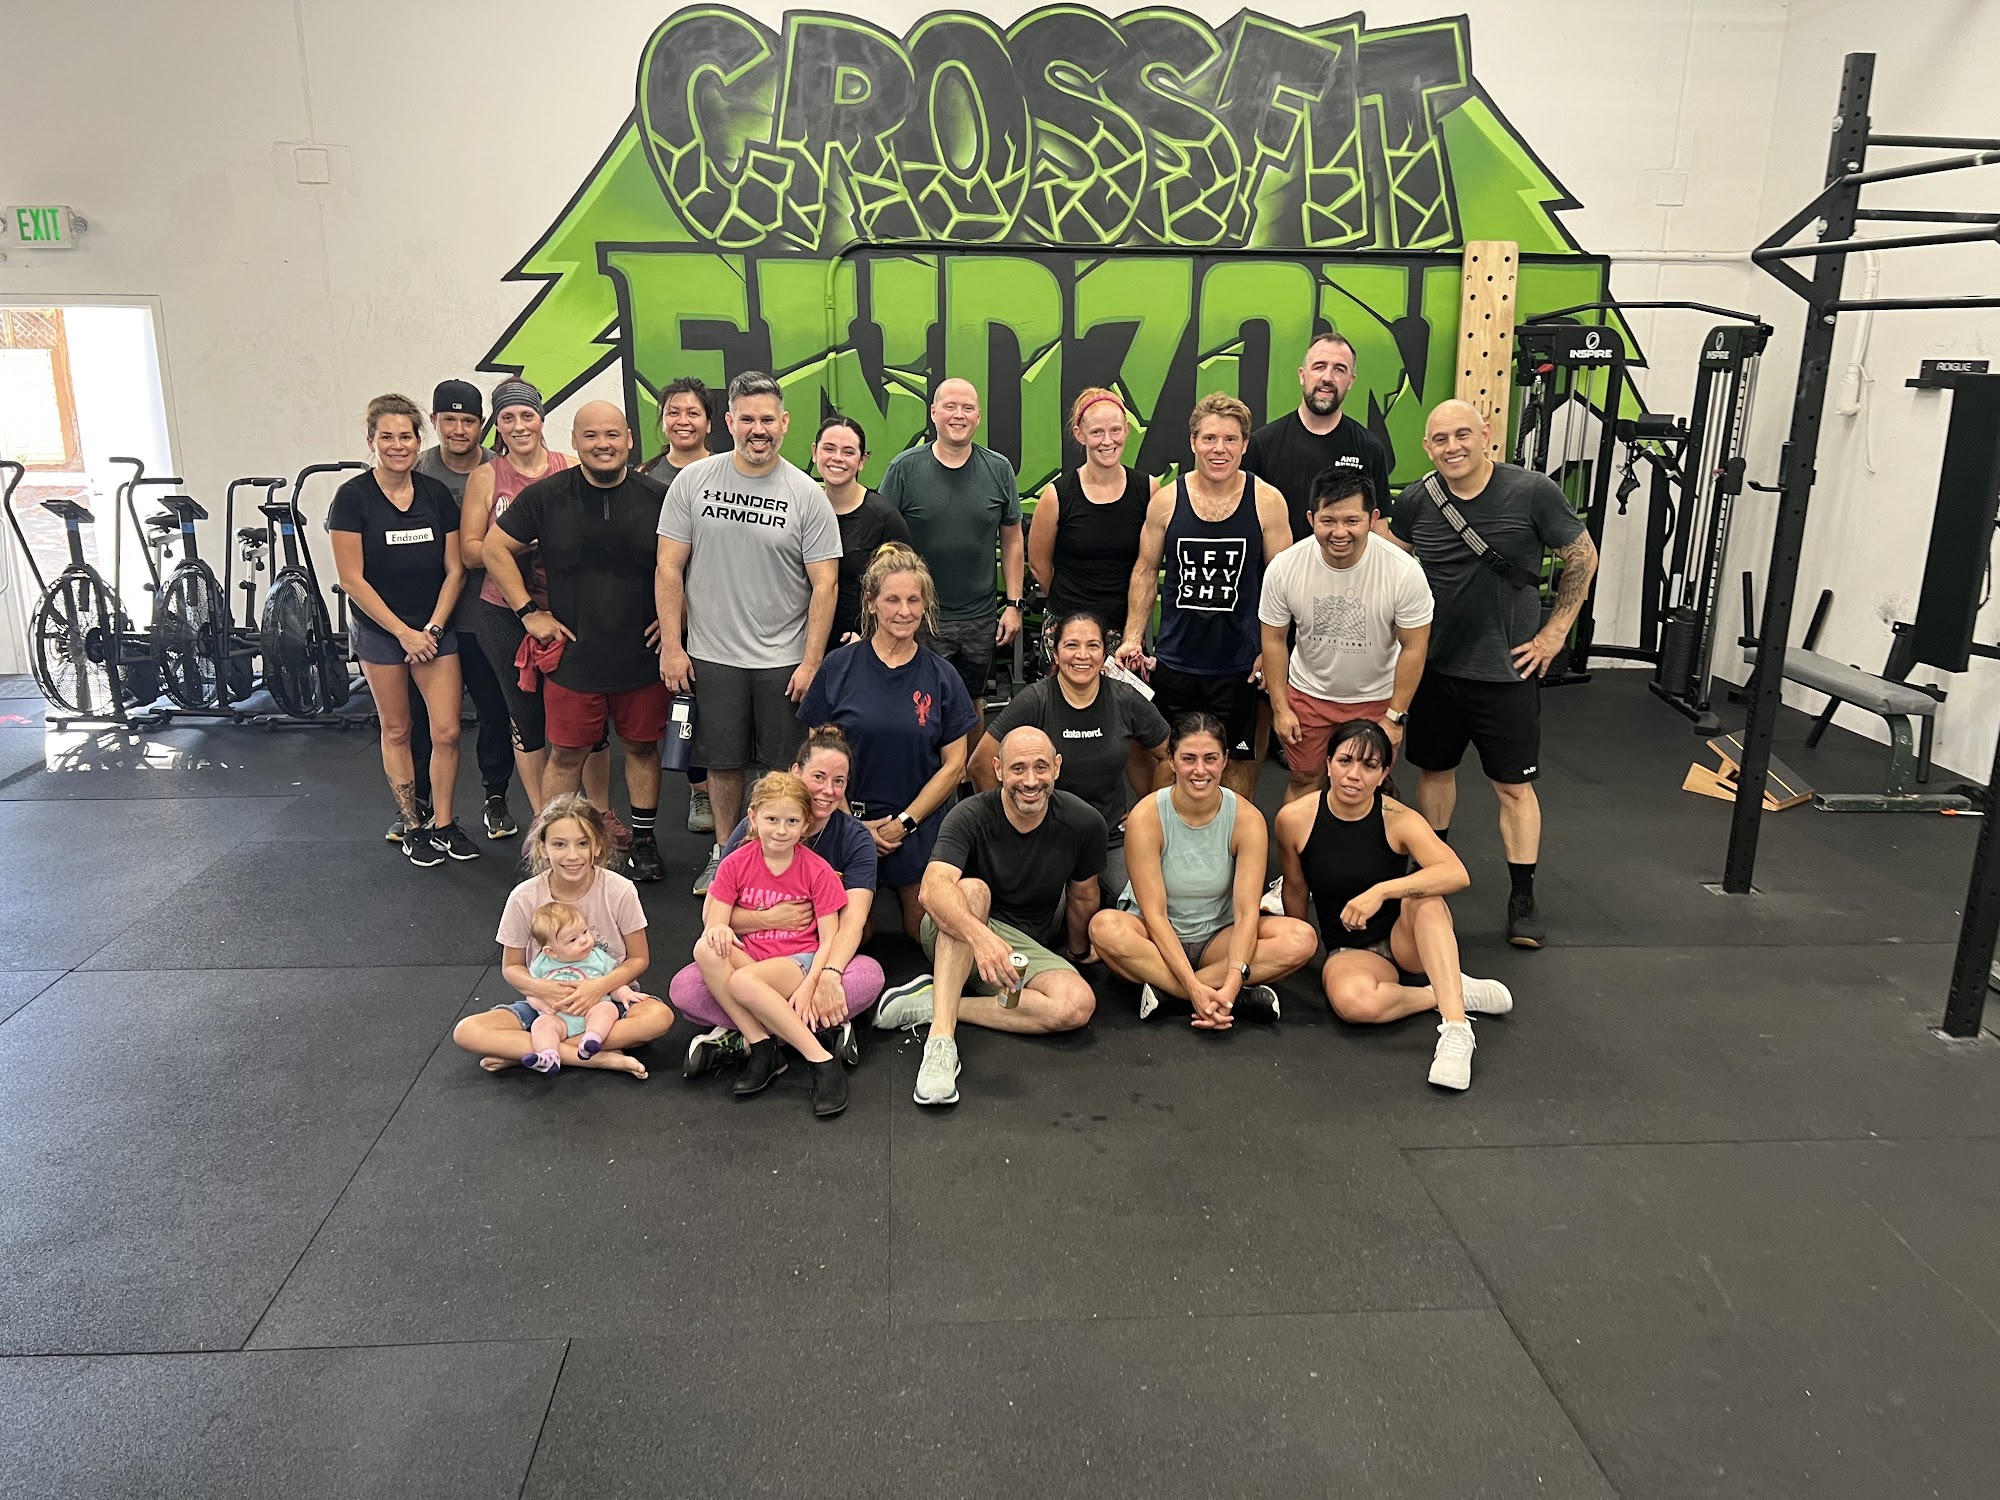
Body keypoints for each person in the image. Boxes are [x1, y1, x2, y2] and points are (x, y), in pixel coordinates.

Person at [1385, 399, 1599, 948]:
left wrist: (1556, 631)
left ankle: (1522, 895)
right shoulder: (1418, 499)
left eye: (1462, 434)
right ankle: (1432, 874)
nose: (1452, 447)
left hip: (1505, 672)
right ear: (1427, 447)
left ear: (1485, 434)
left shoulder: (1532, 491)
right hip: (1435, 669)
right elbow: (1388, 556)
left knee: (1513, 787)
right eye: (1440, 439)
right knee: (1434, 772)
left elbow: (1582, 555)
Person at [656, 370, 841, 896]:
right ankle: (725, 853)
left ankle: (779, 862)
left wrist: (811, 662)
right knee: (723, 763)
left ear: (784, 423)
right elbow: (668, 567)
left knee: (783, 769)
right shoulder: (694, 482)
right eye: (747, 419)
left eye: (767, 420)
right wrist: (672, 646)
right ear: (729, 422)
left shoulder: (806, 495)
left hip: (784, 658)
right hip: (712, 655)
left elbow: (825, 584)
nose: (758, 430)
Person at [482, 401, 671, 881]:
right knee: (566, 754)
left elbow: (691, 561)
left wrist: (679, 618)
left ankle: (644, 842)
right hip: (575, 655)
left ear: (629, 439)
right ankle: (554, 848)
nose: (603, 444)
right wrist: (528, 612)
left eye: (612, 435)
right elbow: (494, 548)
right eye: (591, 436)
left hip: (641, 652)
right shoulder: (546, 497)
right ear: (575, 441)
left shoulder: (659, 497)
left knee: (642, 748)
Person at [1273, 718, 1514, 1091]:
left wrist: (1383, 891)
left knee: (1428, 900)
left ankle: (1456, 1030)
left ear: (1383, 773)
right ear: (1328, 763)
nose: (1354, 775)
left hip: (1407, 942)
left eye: (1369, 766)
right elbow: (1294, 887)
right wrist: (1300, 946)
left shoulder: (1399, 819)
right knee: (1353, 1004)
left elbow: (1456, 873)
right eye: (1345, 761)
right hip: (1351, 950)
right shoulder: (1294, 819)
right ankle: (1445, 991)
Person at [875, 726, 1104, 1108]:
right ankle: (941, 1043)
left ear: (1057, 767)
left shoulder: (1084, 822)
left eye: (1040, 767)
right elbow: (932, 890)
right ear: (998, 769)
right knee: (973, 891)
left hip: (1018, 947)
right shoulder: (970, 814)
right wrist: (981, 939)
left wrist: (1078, 952)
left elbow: (1082, 895)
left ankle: (934, 1003)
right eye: (1018, 768)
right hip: (956, 931)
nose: (1030, 780)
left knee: (1076, 1004)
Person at [668, 726, 887, 1075]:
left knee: (867, 976)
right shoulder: (754, 828)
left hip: (809, 958)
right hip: (752, 955)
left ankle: (744, 1037)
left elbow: (852, 922)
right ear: (796, 772)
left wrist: (828, 976)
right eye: (818, 777)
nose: (827, 791)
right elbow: (713, 915)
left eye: (839, 781)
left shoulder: (853, 838)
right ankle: (813, 1030)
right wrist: (768, 919)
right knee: (686, 988)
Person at [1089, 713, 1317, 1025]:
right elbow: (1154, 915)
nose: (1200, 770)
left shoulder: (1248, 819)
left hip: (1218, 938)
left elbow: (1246, 913)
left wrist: (1232, 980)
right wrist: (1195, 988)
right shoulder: (1146, 817)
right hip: (1153, 939)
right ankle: (1218, 998)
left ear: (1225, 760)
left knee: (1302, 939)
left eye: (1210, 758)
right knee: (1103, 928)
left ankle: (1172, 995)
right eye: (1188, 759)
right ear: (1172, 761)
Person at [1117, 393, 1292, 798]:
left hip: (1240, 665)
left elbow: (1282, 584)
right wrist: (1132, 638)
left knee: (1237, 767)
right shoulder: (1166, 501)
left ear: (1244, 445)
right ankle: (1163, 836)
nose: (1219, 449)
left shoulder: (1267, 502)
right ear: (1193, 442)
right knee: (1170, 763)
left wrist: (1271, 649)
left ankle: (1232, 838)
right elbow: (1145, 570)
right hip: (1177, 660)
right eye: (1210, 438)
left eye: (1230, 439)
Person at [799, 546, 977, 940]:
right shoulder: (839, 666)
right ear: (871, 602)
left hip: (915, 824)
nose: (904, 611)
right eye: (892, 599)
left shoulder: (943, 676)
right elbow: (817, 761)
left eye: (914, 600)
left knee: (923, 930)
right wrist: (852, 825)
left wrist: (904, 824)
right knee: (851, 934)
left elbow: (954, 766)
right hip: (843, 818)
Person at [458, 380, 613, 828]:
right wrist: (523, 540)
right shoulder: (486, 476)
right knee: (526, 717)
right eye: (508, 417)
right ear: (498, 425)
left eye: (527, 415)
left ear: (542, 419)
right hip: (507, 612)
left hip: (571, 609)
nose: (519, 425)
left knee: (589, 716)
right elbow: (471, 552)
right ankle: (546, 823)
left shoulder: (570, 467)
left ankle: (601, 815)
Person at [326, 393, 472, 867]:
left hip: (433, 631)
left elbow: (456, 570)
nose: (397, 445)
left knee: (447, 732)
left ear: (418, 439)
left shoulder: (435, 495)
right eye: (386, 437)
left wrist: (431, 628)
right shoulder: (353, 498)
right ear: (371, 441)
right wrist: (403, 634)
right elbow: (352, 579)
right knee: (397, 728)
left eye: (405, 436)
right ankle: (413, 826)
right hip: (381, 632)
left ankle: (444, 824)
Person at [450, 794, 674, 1077]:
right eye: (559, 844)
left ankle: (535, 1051)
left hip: (609, 999)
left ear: (597, 846)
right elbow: (512, 967)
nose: (572, 855)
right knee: (467, 1031)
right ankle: (593, 1057)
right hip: (548, 1008)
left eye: (582, 843)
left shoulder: (619, 890)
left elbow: (638, 958)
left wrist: (597, 987)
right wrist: (542, 989)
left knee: (659, 1018)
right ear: (542, 848)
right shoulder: (524, 897)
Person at [1259, 470, 1432, 803]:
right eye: (1328, 521)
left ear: (1373, 519)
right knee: (1304, 778)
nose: (1339, 532)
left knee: (1366, 785)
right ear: (1311, 519)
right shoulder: (1285, 567)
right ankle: (1299, 841)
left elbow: (1414, 646)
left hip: (1376, 700)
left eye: (1352, 520)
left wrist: (1395, 716)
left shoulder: (1404, 572)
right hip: (1309, 695)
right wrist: (1280, 708)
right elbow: (1273, 640)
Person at [971, 607, 1167, 901]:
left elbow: (1172, 756)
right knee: (1047, 911)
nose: (1082, 655)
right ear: (1055, 650)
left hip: (1111, 837)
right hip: (1045, 836)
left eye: (1093, 646)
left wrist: (1149, 811)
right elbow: (980, 764)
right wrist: (1009, 821)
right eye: (1072, 645)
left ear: (1105, 652)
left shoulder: (1125, 698)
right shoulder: (1035, 700)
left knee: (1145, 902)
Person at [693, 771, 850, 1117]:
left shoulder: (817, 870)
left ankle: (822, 1060)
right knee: (705, 948)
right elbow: (715, 920)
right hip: (753, 958)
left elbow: (830, 939)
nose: (781, 830)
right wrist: (719, 929)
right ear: (753, 818)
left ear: (805, 824)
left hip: (797, 961)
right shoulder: (735, 862)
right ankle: (763, 1047)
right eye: (772, 820)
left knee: (741, 982)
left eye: (791, 821)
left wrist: (811, 983)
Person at [401, 379, 517, 843]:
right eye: (448, 420)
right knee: (422, 721)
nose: (458, 429)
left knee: (494, 710)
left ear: (481, 424)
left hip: (482, 614)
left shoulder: (498, 471)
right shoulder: (416, 470)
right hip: (424, 620)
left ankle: (496, 798)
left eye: (468, 420)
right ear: (434, 421)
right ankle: (418, 807)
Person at [878, 377, 1024, 732]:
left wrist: (1014, 605)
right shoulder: (904, 469)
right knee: (916, 704)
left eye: (967, 408)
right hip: (918, 616)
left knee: (971, 704)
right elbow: (881, 541)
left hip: (979, 618)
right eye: (950, 406)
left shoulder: (999, 469)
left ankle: (968, 769)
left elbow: (1012, 539)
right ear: (933, 413)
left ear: (978, 417)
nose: (959, 415)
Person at [643, 375, 719, 837]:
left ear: (710, 422)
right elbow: (651, 559)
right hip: (663, 618)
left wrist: (690, 607)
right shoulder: (645, 477)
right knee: (681, 708)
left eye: (693, 412)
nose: (683, 420)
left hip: (718, 613)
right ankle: (697, 790)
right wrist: (668, 615)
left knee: (719, 709)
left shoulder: (728, 473)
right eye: (674, 412)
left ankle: (725, 791)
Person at [1246, 333, 1393, 543]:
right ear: (1302, 375)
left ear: (1350, 381)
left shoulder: (1370, 449)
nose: (1327, 377)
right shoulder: (1261, 445)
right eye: (1319, 366)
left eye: (1339, 369)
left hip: (1345, 565)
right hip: (1279, 564)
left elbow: (1378, 530)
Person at [1028, 388, 1151, 624]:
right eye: (1097, 432)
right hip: (1068, 625)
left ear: (1126, 430)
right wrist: (1071, 609)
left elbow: (1150, 565)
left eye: (1115, 430)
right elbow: (1038, 565)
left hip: (1126, 627)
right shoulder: (1057, 496)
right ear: (1080, 434)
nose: (1108, 441)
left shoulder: (1148, 490)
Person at [812, 413, 910, 652]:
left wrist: (871, 636)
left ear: (862, 460)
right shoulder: (805, 509)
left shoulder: (884, 518)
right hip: (804, 644)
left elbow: (907, 588)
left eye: (848, 452)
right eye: (829, 448)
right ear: (815, 452)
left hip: (859, 648)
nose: (837, 458)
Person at [521, 902, 648, 1073]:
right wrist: (540, 1003)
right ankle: (548, 1055)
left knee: (607, 1008)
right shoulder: (541, 964)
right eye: (572, 940)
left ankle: (591, 1039)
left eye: (585, 931)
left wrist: (624, 992)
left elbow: (613, 983)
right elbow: (532, 991)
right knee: (541, 1024)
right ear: (551, 951)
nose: (584, 940)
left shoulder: (598, 958)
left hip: (591, 1012)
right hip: (558, 1019)